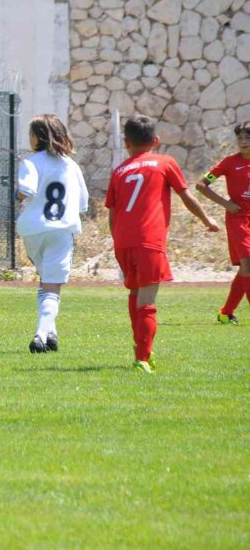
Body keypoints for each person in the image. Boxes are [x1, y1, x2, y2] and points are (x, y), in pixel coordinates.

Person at [105, 115, 219, 374]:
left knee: (134, 294)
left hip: (122, 241)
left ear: (126, 143)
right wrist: (206, 219)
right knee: (147, 298)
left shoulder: (119, 170)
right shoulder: (165, 162)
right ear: (155, 140)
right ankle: (142, 358)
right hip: (149, 240)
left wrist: (118, 240)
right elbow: (186, 195)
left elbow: (113, 212)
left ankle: (142, 351)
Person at [15, 114, 89, 354]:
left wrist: (16, 195)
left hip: (33, 230)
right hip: (60, 230)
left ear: (37, 137)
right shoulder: (71, 166)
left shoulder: (31, 162)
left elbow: (25, 190)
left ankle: (51, 333)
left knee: (45, 282)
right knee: (52, 287)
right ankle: (40, 333)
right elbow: (82, 204)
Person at [195, 121, 250, 325]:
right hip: (238, 219)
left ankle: (226, 313)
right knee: (248, 264)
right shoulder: (229, 163)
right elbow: (201, 185)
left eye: (248, 137)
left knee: (245, 268)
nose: (243, 142)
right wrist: (226, 204)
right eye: (240, 138)